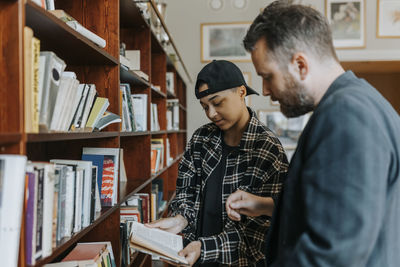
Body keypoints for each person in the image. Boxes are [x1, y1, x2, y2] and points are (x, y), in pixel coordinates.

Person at [226, 1, 400, 266]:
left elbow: (334, 253)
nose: (264, 90)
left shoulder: (346, 116)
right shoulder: (360, 102)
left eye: (268, 76)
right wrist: (265, 205)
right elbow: (337, 207)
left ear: (300, 65)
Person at [147, 60, 288, 266]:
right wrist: (180, 220)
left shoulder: (268, 149)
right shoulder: (200, 139)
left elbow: (259, 236)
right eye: (205, 107)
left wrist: (204, 248)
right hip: (193, 260)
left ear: (241, 92)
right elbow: (186, 194)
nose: (211, 114)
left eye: (217, 102)